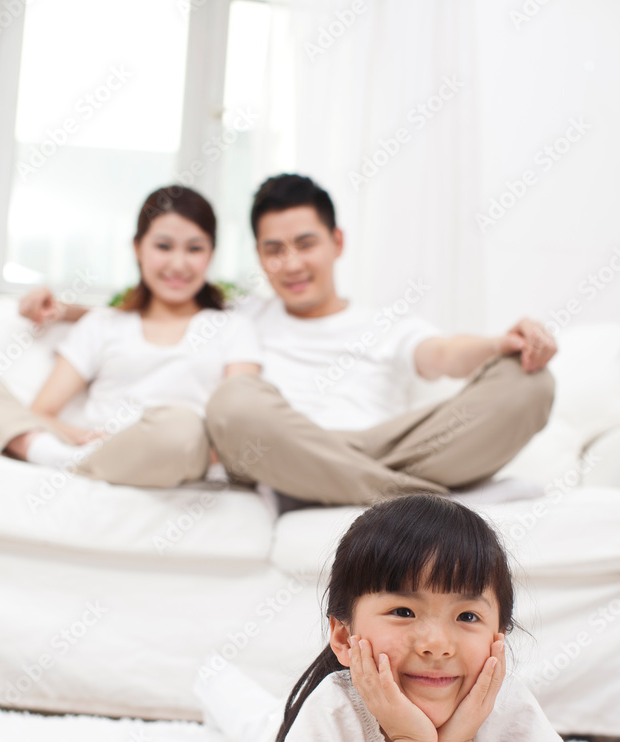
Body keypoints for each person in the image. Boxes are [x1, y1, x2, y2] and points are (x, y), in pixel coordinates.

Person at [252, 494, 590, 742]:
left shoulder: (505, 704)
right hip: (273, 734)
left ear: (498, 639)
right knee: (252, 724)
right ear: (344, 638)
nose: (437, 645)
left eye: (467, 617)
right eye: (403, 611)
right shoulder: (336, 706)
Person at [205, 174, 558, 508]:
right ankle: (433, 503)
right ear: (260, 256)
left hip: (386, 450)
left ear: (337, 242)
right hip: (284, 452)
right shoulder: (242, 319)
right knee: (234, 399)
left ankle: (344, 490)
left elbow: (443, 354)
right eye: (275, 250)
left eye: (305, 244)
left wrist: (499, 345)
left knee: (529, 381)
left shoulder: (384, 323)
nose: (292, 263)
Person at [0, 186, 261, 487]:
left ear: (211, 253)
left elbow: (236, 423)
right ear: (137, 247)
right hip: (96, 449)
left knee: (182, 425)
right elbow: (42, 412)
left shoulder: (233, 328)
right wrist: (82, 438)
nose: (178, 264)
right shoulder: (104, 324)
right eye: (163, 246)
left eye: (194, 249)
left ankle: (68, 464)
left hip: (179, 449)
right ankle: (62, 459)